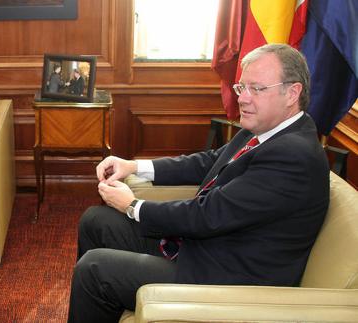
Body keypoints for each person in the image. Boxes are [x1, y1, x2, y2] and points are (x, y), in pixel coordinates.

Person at [67, 43, 330, 323]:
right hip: (203, 247)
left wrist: (133, 206)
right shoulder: (266, 129)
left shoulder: (294, 155)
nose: (243, 98)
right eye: (242, 88)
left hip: (229, 278)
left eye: (257, 88)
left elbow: (208, 215)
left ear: (292, 92)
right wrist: (135, 166)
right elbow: (209, 162)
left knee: (94, 270)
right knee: (96, 220)